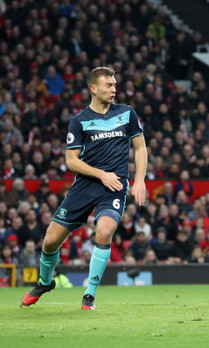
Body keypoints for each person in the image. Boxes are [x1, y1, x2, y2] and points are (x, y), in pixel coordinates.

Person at [21, 67, 147, 310]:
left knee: (104, 232)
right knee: (50, 243)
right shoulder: (79, 121)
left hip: (115, 186)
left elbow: (140, 148)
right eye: (108, 85)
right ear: (93, 88)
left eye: (114, 84)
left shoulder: (127, 114)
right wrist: (101, 174)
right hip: (86, 186)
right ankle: (45, 282)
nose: (113, 89)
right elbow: (71, 161)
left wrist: (139, 180)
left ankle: (89, 295)